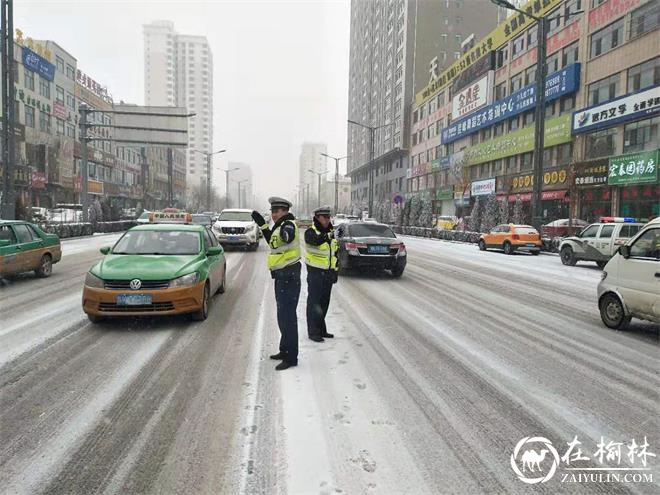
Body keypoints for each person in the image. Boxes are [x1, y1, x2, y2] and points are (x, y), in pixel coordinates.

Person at [252, 197, 301, 371]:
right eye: (272, 211)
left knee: (288, 317)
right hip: (282, 275)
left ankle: (291, 357)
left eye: (277, 211)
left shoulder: (288, 225)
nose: (273, 214)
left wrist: (284, 231)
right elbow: (273, 242)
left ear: (285, 211)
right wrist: (262, 225)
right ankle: (284, 349)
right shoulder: (278, 226)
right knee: (282, 316)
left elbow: (287, 237)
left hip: (290, 275)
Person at [304, 205, 339, 342]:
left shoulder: (331, 233)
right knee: (314, 303)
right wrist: (328, 236)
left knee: (324, 303)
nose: (327, 219)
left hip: (328, 273)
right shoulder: (311, 232)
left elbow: (335, 254)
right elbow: (315, 241)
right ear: (317, 218)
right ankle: (313, 332)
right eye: (324, 217)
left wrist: (335, 271)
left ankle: (321, 329)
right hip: (315, 273)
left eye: (328, 217)